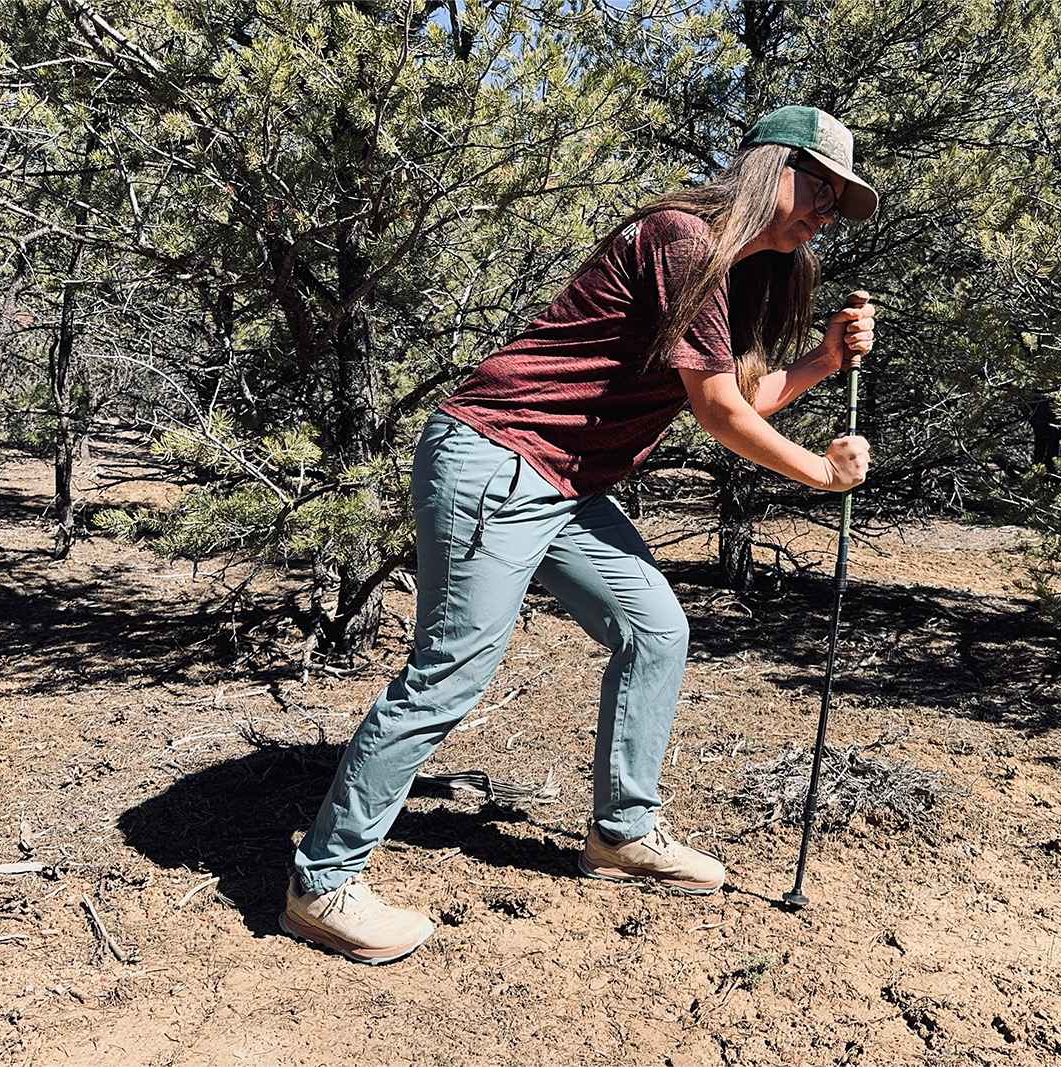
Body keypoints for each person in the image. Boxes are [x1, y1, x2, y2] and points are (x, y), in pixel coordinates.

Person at [281, 105, 880, 964]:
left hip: (565, 483)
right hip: (496, 457)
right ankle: (322, 883)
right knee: (451, 671)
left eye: (841, 200)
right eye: (822, 187)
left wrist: (822, 360)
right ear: (774, 168)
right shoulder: (681, 239)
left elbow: (740, 399)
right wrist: (820, 475)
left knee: (656, 629)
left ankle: (623, 834)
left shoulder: (731, 271)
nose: (829, 210)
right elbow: (719, 416)